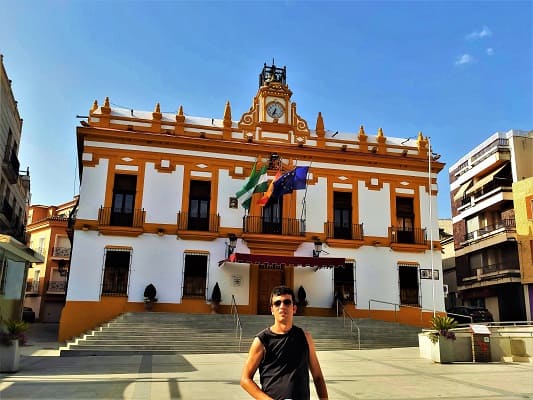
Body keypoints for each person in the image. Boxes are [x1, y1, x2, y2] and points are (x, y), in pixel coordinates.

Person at [240, 285, 329, 400]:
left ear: (294, 308)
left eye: (287, 302)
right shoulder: (262, 341)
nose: (282, 307)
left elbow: (318, 377)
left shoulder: (305, 338)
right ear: (272, 309)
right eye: (277, 303)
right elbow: (245, 379)